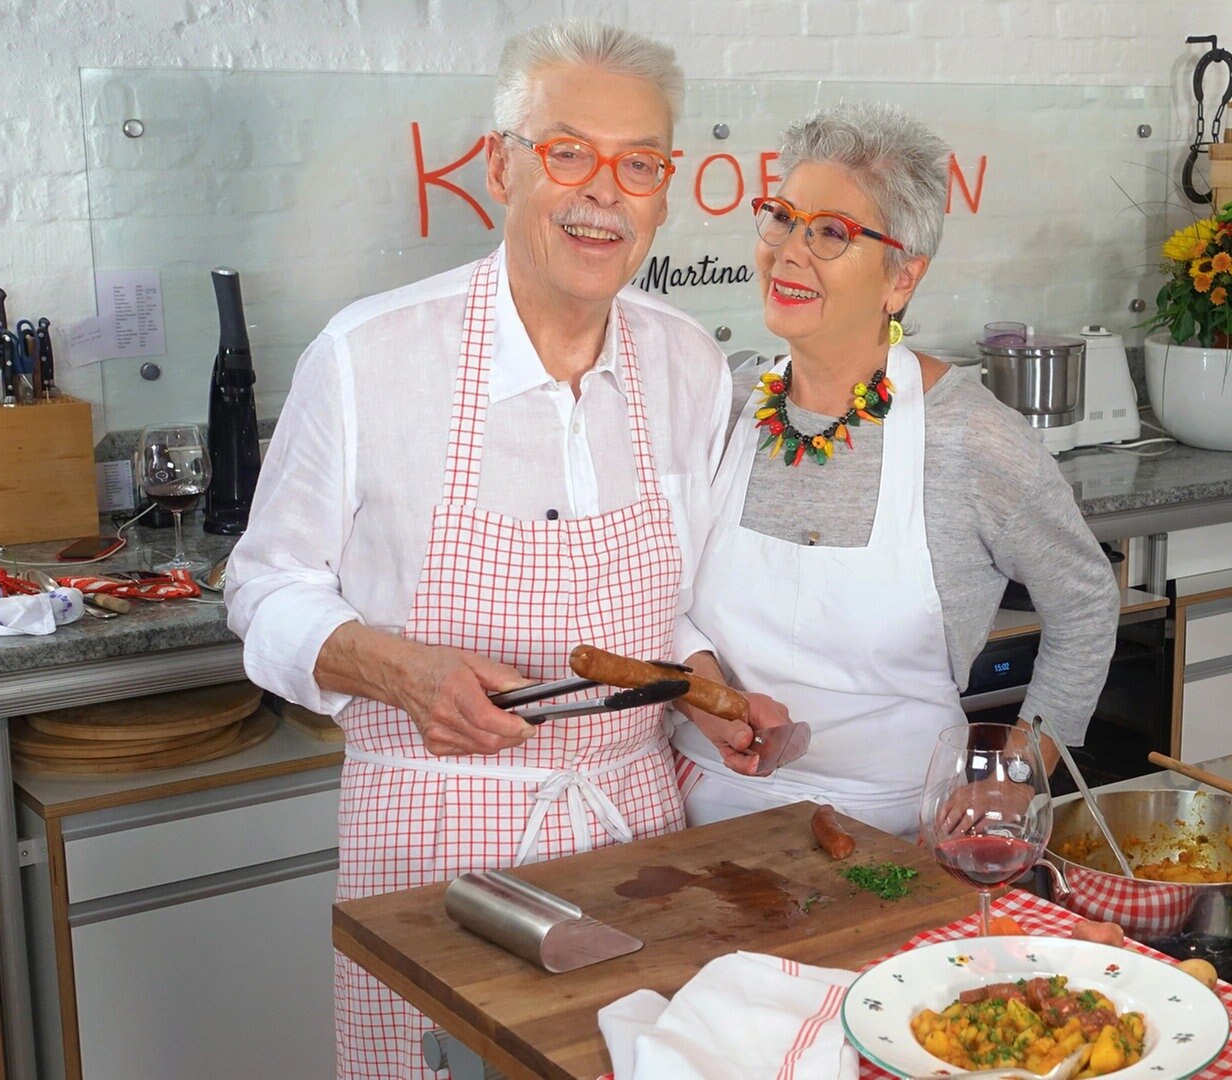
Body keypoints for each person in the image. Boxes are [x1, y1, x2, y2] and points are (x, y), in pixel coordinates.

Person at [224, 21, 730, 1078]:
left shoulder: (691, 363)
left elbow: (671, 598)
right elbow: (263, 589)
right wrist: (403, 672)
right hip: (433, 845)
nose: (605, 192)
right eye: (568, 152)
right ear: (501, 167)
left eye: (639, 163)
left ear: (665, 191)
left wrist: (708, 687)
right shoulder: (368, 356)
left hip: (640, 837)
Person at [668, 102, 1120, 838]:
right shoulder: (721, 407)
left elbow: (1086, 603)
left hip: (894, 835)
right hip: (698, 817)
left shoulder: (971, 438)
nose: (788, 252)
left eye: (830, 233)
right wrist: (705, 693)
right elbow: (654, 591)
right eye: (782, 218)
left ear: (901, 277)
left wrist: (1019, 771)